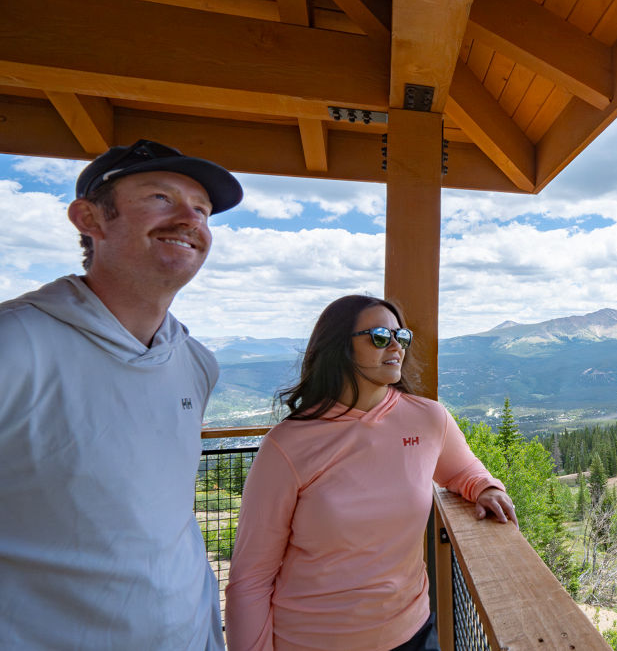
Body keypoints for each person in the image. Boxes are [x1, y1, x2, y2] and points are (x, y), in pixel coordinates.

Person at [0, 139, 242, 649]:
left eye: (201, 210)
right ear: (89, 218)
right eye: (160, 197)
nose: (190, 220)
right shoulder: (15, 343)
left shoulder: (196, 362)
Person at [225, 295, 517, 651]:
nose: (396, 346)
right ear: (340, 348)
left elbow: (461, 469)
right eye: (380, 336)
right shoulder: (286, 446)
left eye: (402, 336)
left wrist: (486, 488)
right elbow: (250, 579)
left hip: (413, 632)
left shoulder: (428, 419)